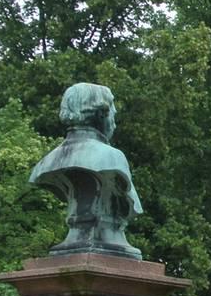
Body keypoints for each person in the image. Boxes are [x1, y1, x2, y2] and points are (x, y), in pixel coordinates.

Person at [30, 83, 144, 258]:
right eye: (112, 108)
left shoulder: (49, 161)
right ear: (101, 113)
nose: (115, 115)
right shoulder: (111, 157)